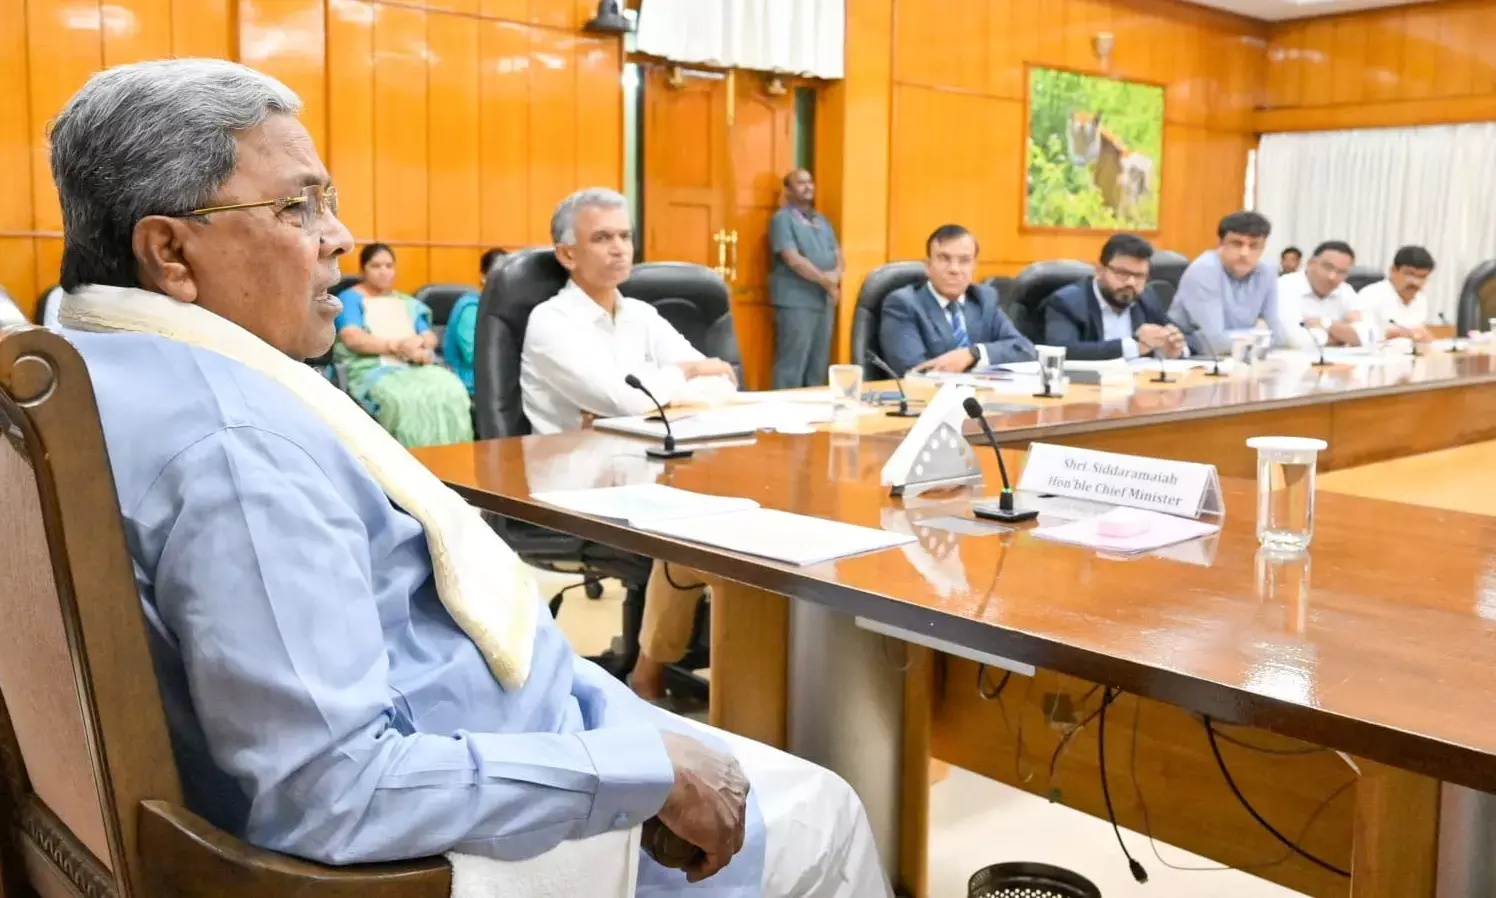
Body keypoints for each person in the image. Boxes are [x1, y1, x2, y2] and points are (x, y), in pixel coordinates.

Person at [50, 59, 888, 896]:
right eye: (298, 207)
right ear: (170, 252)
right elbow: (333, 793)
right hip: (473, 832)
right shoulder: (238, 449)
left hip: (506, 732)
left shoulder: (97, 368)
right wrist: (644, 770)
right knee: (828, 810)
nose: (339, 235)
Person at [522, 188, 739, 703]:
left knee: (732, 521)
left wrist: (660, 389)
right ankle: (650, 673)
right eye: (602, 237)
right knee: (691, 533)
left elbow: (723, 382)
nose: (619, 248)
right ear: (567, 254)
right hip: (572, 486)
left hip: (646, 469)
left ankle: (692, 667)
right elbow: (624, 397)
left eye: (624, 235)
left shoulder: (641, 314)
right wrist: (679, 378)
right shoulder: (551, 321)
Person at [334, 243, 473, 447]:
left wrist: (420, 344)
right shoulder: (349, 298)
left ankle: (452, 458)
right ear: (363, 270)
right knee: (400, 400)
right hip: (374, 368)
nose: (384, 271)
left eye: (389, 266)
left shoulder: (405, 302)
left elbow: (429, 336)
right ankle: (411, 461)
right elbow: (352, 338)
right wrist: (396, 346)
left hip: (413, 365)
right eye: (376, 266)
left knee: (453, 389)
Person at [878, 224, 1035, 375]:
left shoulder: (984, 299)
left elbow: (1024, 350)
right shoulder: (903, 304)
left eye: (964, 261)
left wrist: (974, 354)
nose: (954, 269)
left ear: (974, 266)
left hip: (984, 393)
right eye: (944, 259)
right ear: (928, 266)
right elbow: (915, 371)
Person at [1042, 234, 1185, 361]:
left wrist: (1174, 348)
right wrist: (1134, 346)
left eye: (1139, 276)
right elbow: (1062, 350)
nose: (1131, 282)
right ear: (1099, 270)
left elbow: (1186, 339)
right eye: (1122, 273)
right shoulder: (1067, 302)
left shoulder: (1146, 298)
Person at [1168, 211, 1292, 357]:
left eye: (1254, 246)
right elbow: (1214, 343)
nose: (1245, 253)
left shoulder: (1267, 271)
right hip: (1191, 358)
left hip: (1241, 358)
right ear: (1220, 243)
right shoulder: (1204, 270)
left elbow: (1278, 336)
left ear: (1263, 247)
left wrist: (1259, 336)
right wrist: (1260, 333)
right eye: (1237, 244)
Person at [768, 169, 843, 389]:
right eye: (800, 183)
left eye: (810, 182)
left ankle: (813, 409)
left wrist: (836, 275)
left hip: (823, 301)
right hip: (796, 302)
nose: (808, 186)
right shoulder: (782, 219)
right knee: (792, 365)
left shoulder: (822, 220)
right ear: (788, 191)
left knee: (818, 365)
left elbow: (838, 254)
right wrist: (827, 282)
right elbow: (793, 259)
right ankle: (783, 409)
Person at [443, 246, 507, 396]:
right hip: (469, 383)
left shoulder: (503, 306)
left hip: (496, 380)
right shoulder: (470, 308)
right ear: (483, 277)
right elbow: (473, 355)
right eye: (497, 274)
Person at [1277, 240, 1364, 350]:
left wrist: (1325, 323)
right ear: (1310, 263)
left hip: (1337, 359)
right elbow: (1296, 340)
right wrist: (1343, 335)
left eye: (1341, 272)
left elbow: (1367, 335)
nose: (1332, 277)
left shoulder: (1345, 290)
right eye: (1328, 267)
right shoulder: (1284, 286)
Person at [1359, 245, 1436, 342]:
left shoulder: (1421, 298)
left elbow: (1418, 334)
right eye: (1410, 274)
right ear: (1393, 271)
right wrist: (1389, 334)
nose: (1415, 282)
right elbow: (1360, 336)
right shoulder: (1371, 295)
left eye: (1422, 277)